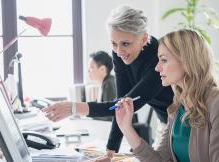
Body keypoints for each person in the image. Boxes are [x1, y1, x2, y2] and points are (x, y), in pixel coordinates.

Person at [42, 5, 174, 157]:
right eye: (113, 43)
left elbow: (125, 106)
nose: (119, 51)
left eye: (126, 43)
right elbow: (121, 100)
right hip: (164, 121)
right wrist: (110, 152)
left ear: (144, 38)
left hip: (184, 120)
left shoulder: (158, 59)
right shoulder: (119, 53)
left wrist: (74, 108)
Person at [114, 29, 219, 162]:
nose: (157, 68)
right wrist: (126, 127)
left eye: (164, 60)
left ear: (187, 61)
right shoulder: (179, 105)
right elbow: (160, 159)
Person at [88, 50, 116, 121]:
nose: (88, 71)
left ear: (102, 69)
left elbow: (109, 115)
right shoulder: (104, 83)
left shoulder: (109, 84)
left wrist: (88, 114)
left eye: (91, 67)